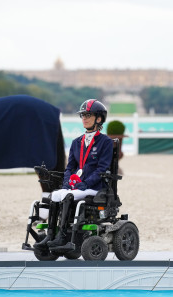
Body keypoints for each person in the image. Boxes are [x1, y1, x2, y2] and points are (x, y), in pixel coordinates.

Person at [34, 99, 113, 249]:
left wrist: (87, 183)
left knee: (68, 196)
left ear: (99, 118)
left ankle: (63, 236)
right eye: (83, 115)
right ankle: (51, 234)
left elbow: (102, 169)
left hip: (95, 187)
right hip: (78, 186)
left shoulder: (105, 142)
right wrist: (66, 184)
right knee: (56, 195)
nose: (84, 118)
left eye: (88, 115)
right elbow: (69, 167)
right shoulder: (77, 142)